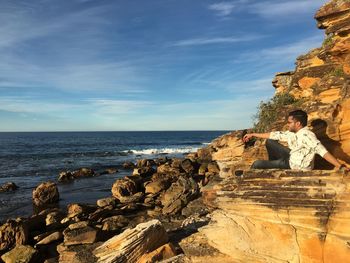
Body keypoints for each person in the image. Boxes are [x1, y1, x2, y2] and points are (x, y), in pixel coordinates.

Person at [243, 110, 349, 171]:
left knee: (257, 164)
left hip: (295, 166)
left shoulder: (307, 135)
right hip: (293, 156)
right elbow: (274, 135)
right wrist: (253, 134)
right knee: (270, 142)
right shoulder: (294, 133)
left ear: (297, 124)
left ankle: (245, 180)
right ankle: (272, 166)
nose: (287, 124)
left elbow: (322, 151)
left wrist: (340, 166)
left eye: (289, 122)